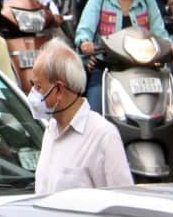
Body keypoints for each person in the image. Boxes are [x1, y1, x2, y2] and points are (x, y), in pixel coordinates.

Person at [31, 39, 133, 194]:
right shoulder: (51, 129)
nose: (33, 93)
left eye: (38, 86)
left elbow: (124, 202)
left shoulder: (103, 135)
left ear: (58, 90)